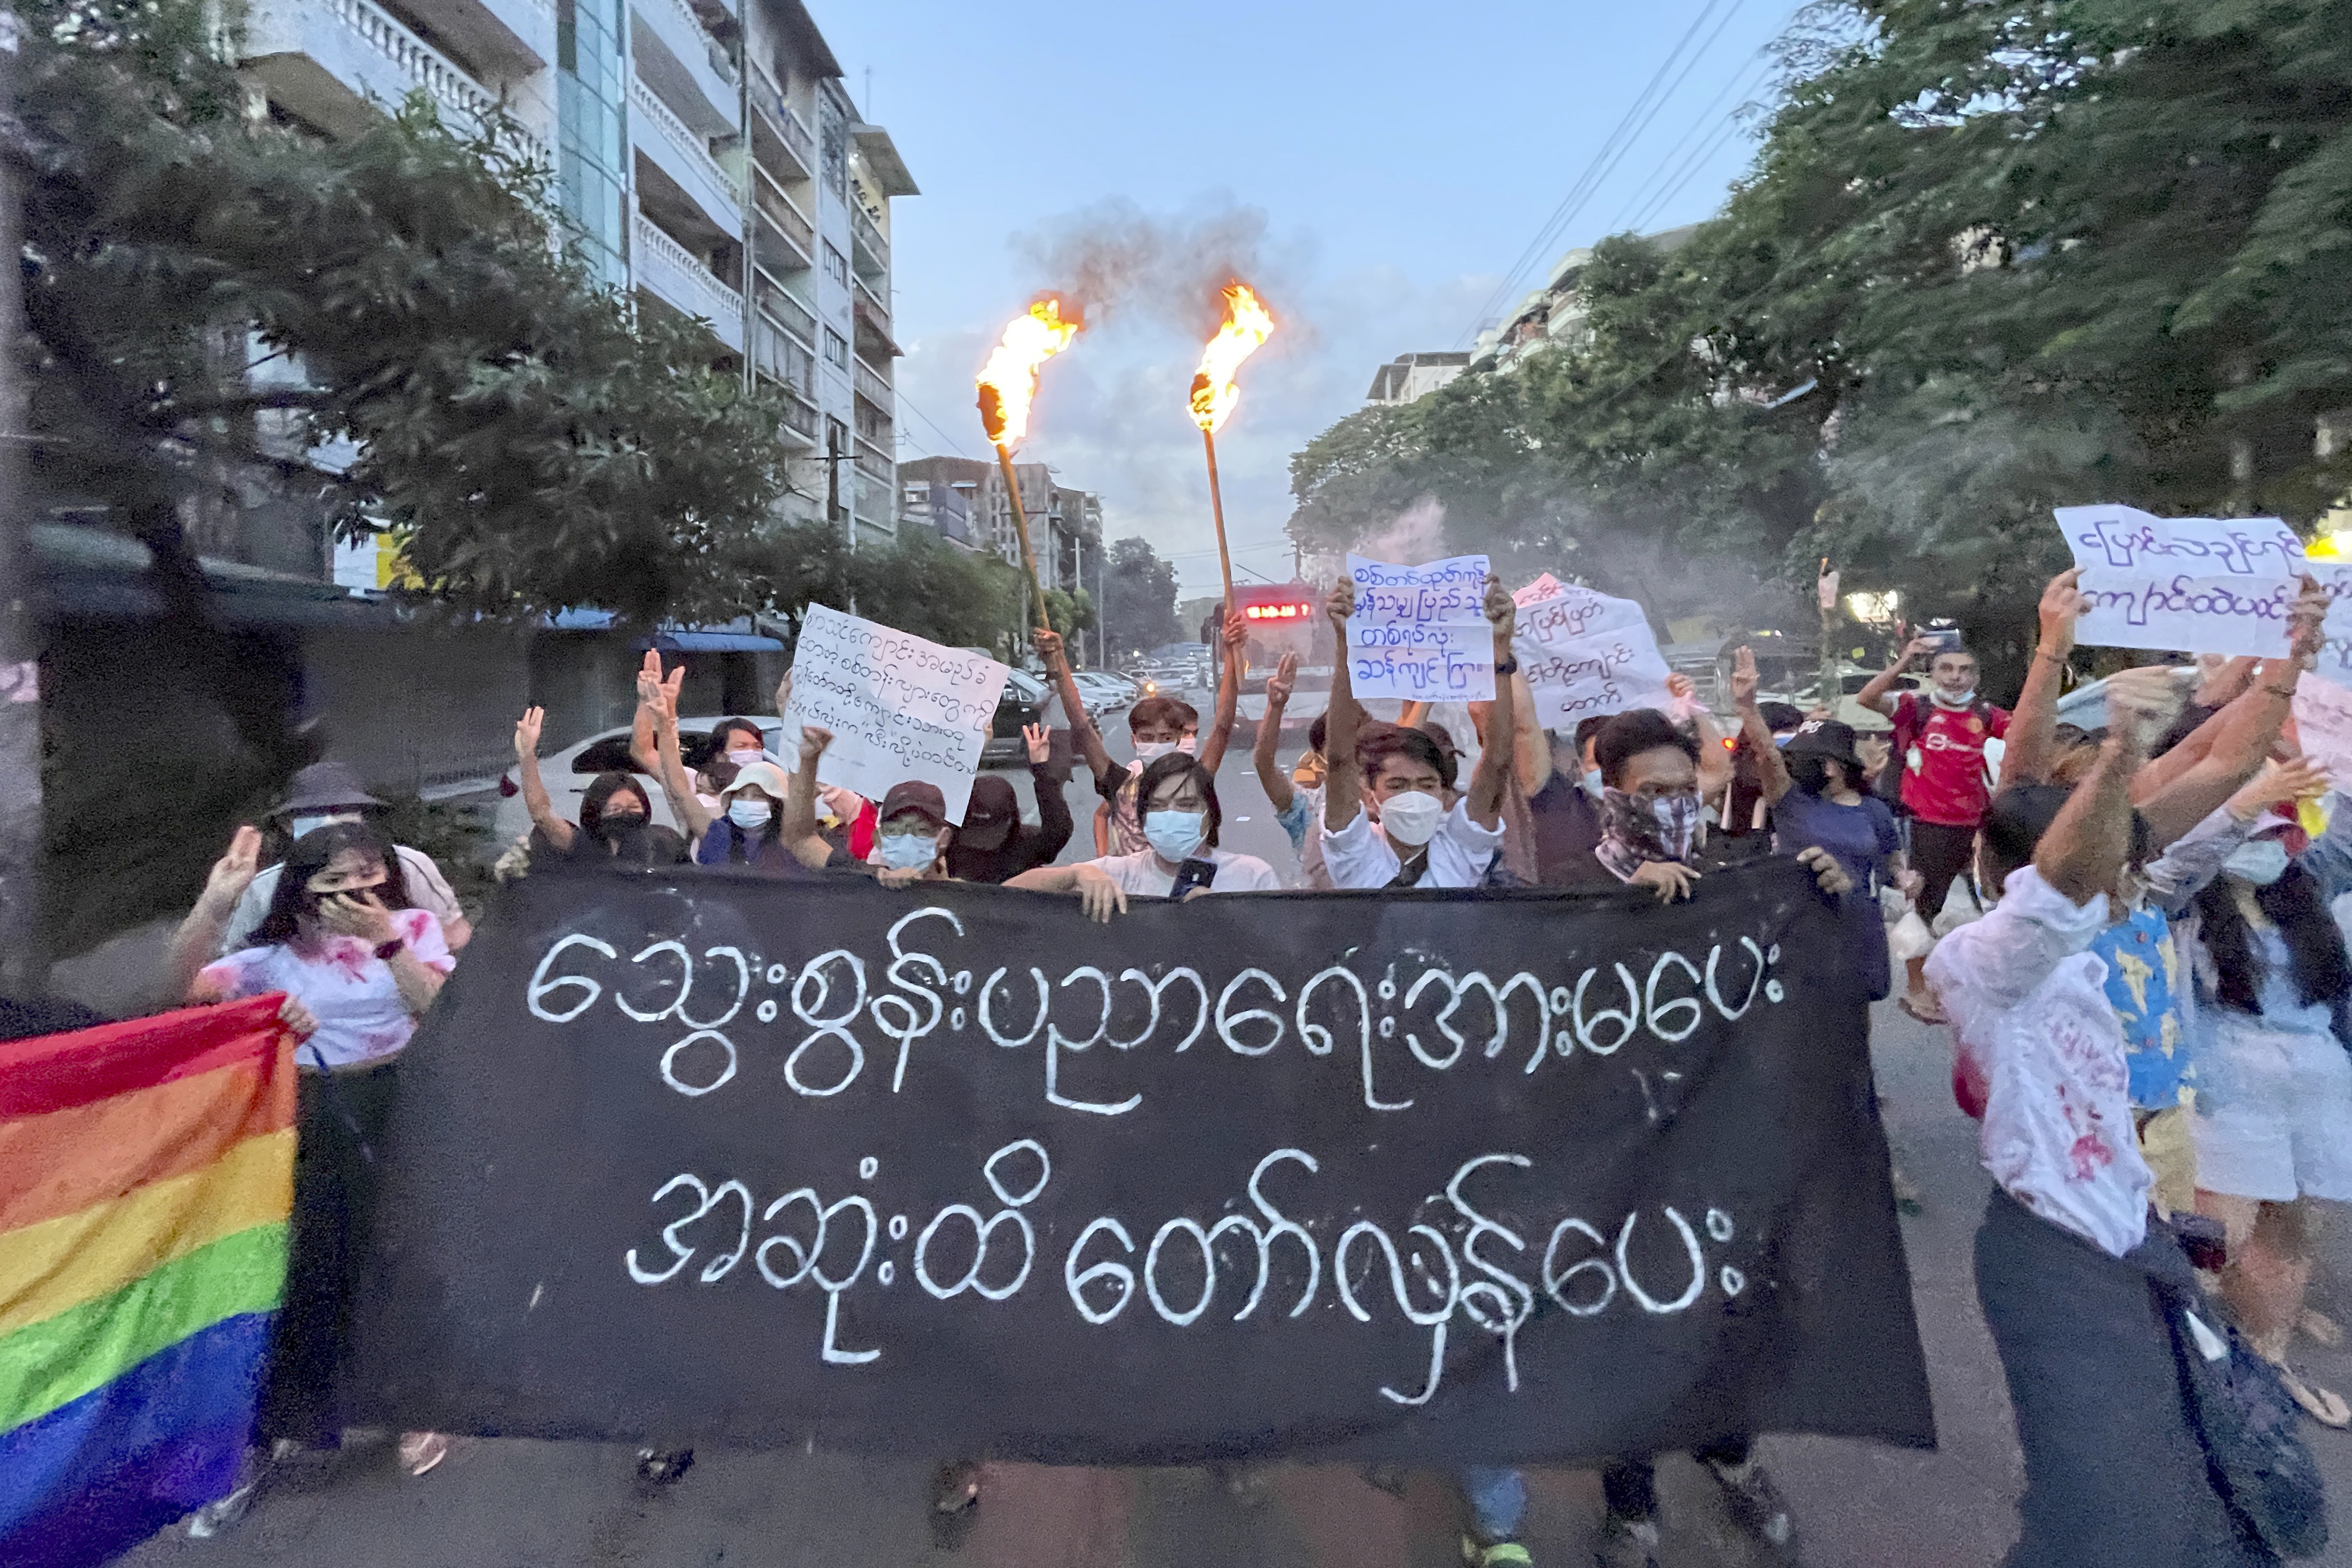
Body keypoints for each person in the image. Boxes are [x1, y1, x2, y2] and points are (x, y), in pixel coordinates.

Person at [1925, 666, 2281, 1568]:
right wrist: (2120, 748)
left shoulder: (2090, 937)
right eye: (2107, 863)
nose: (2129, 878)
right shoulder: (1988, 957)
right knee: (2096, 1504)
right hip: (2050, 1255)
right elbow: (2060, 877)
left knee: (2182, 1456)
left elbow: (2224, 760)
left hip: (2131, 1236)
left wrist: (2284, 669)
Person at [167, 821, 457, 1502]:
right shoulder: (269, 958)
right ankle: (280, 1416)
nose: (358, 891)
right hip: (308, 1111)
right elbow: (177, 990)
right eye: (337, 880)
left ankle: (416, 1400)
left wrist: (387, 941)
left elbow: (442, 1011)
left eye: (370, 876)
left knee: (400, 1255)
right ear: (303, 890)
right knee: (302, 1261)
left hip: (402, 1100)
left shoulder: (411, 927)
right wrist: (212, 907)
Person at [1318, 573, 1516, 890]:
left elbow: (1498, 761)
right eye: (1397, 785)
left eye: (1427, 784)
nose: (1415, 797)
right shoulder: (1354, 853)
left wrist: (1500, 653)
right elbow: (1340, 757)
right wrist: (1346, 645)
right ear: (1369, 794)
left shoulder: (1460, 849)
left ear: (1444, 792)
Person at [1732, 647, 1905, 998]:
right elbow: (1768, 755)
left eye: (1804, 758)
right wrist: (1748, 709)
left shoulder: (1875, 810)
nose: (1793, 765)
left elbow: (1893, 866)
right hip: (1803, 926)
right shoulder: (1791, 802)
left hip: (1860, 926)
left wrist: (1907, 880)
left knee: (1855, 1012)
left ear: (1832, 766)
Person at [1858, 629, 2011, 1021]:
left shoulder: (1986, 715)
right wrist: (1904, 660)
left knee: (1998, 906)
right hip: (1928, 825)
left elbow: (2025, 735)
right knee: (1923, 907)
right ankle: (1915, 991)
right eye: (1946, 668)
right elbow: (1867, 698)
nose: (1955, 676)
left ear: (1976, 677)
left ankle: (1996, 986)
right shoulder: (1916, 707)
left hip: (1977, 826)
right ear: (1933, 673)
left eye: (1964, 670)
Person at [218, 760, 470, 954]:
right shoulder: (265, 886)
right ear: (287, 824)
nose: (330, 821)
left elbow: (456, 937)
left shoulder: (408, 864)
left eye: (342, 811)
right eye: (314, 813)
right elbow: (238, 958)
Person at [1045, 621, 1244, 858]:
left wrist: (1231, 651)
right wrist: (1058, 660)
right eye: (1148, 738)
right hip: (1134, 892)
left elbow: (1222, 727)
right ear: (1134, 740)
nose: (1157, 744)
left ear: (1179, 739)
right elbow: (1081, 724)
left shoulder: (1196, 779)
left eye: (1166, 737)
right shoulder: (1120, 784)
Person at [1008, 752, 1279, 917]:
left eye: (1186, 805)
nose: (1171, 814)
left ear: (1210, 813)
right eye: (1159, 806)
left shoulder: (1253, 876)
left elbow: (1282, 947)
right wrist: (1075, 874)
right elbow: (1008, 893)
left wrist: (1226, 915)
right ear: (1143, 817)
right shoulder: (1119, 872)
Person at [513, 705, 658, 863]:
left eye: (634, 807)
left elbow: (682, 799)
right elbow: (541, 814)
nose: (625, 814)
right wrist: (527, 754)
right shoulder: (582, 845)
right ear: (596, 812)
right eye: (614, 809)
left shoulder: (659, 844)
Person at [946, 724, 1071, 883]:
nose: (983, 844)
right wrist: (976, 752)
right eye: (975, 834)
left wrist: (1042, 772)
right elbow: (943, 792)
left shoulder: (1024, 846)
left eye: (990, 833)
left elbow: (1058, 831)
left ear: (1009, 823)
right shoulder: (949, 845)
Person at [1252, 650, 1333, 887]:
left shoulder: (1381, 800)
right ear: (1321, 755)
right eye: (1338, 745)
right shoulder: (1308, 805)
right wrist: (1276, 706)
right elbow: (1264, 764)